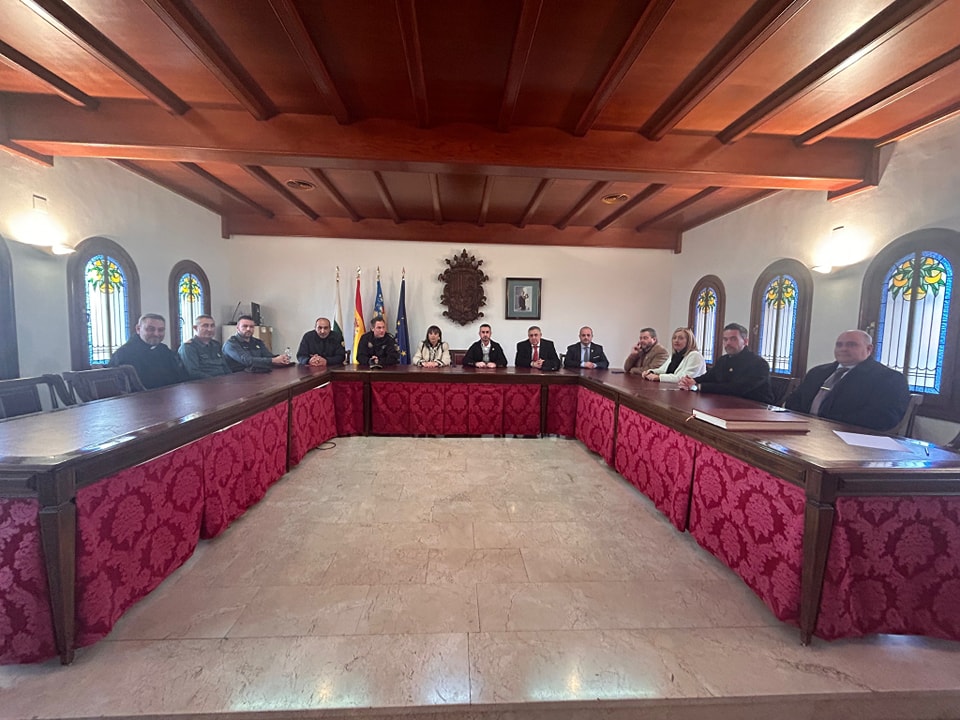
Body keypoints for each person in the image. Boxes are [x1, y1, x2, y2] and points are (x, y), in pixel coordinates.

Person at [785, 329, 910, 431]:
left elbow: (882, 418)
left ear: (869, 349)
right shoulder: (817, 372)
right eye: (839, 345)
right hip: (804, 431)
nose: (843, 349)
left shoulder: (889, 378)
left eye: (852, 345)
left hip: (850, 438)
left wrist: (825, 424)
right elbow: (793, 402)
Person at [679, 323, 773, 403]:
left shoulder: (759, 364)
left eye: (733, 339)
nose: (728, 343)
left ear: (745, 341)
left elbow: (737, 388)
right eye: (725, 339)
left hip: (755, 409)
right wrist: (692, 381)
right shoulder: (723, 360)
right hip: (727, 403)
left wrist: (700, 386)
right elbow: (709, 377)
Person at [224, 315, 292, 372]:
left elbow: (268, 356)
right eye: (245, 326)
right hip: (238, 378)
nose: (248, 329)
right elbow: (247, 360)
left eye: (251, 327)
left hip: (257, 374)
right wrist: (273, 360)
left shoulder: (257, 342)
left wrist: (281, 358)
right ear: (238, 328)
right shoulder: (231, 344)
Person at [642, 327, 706, 383]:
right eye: (674, 338)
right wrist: (650, 372)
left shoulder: (695, 355)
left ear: (689, 341)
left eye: (681, 338)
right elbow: (663, 370)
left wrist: (659, 377)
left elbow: (685, 378)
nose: (676, 341)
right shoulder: (674, 355)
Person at [178, 314, 231, 379]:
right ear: (195, 328)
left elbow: (225, 367)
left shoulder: (216, 344)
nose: (209, 329)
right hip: (203, 384)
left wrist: (231, 378)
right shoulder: (188, 347)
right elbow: (193, 372)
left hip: (222, 381)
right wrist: (216, 381)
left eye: (212, 326)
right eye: (205, 326)